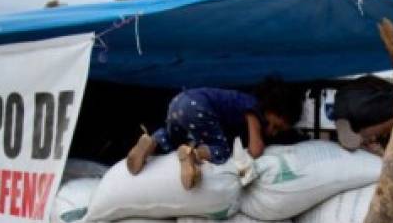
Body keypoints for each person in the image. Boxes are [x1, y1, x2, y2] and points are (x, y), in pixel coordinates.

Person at [126, 79, 302, 188]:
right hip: (199, 107)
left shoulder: (243, 103)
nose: (272, 132)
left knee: (172, 141)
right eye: (275, 126)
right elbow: (256, 149)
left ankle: (151, 142)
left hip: (178, 102)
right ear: (272, 109)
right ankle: (192, 155)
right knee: (221, 150)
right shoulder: (253, 109)